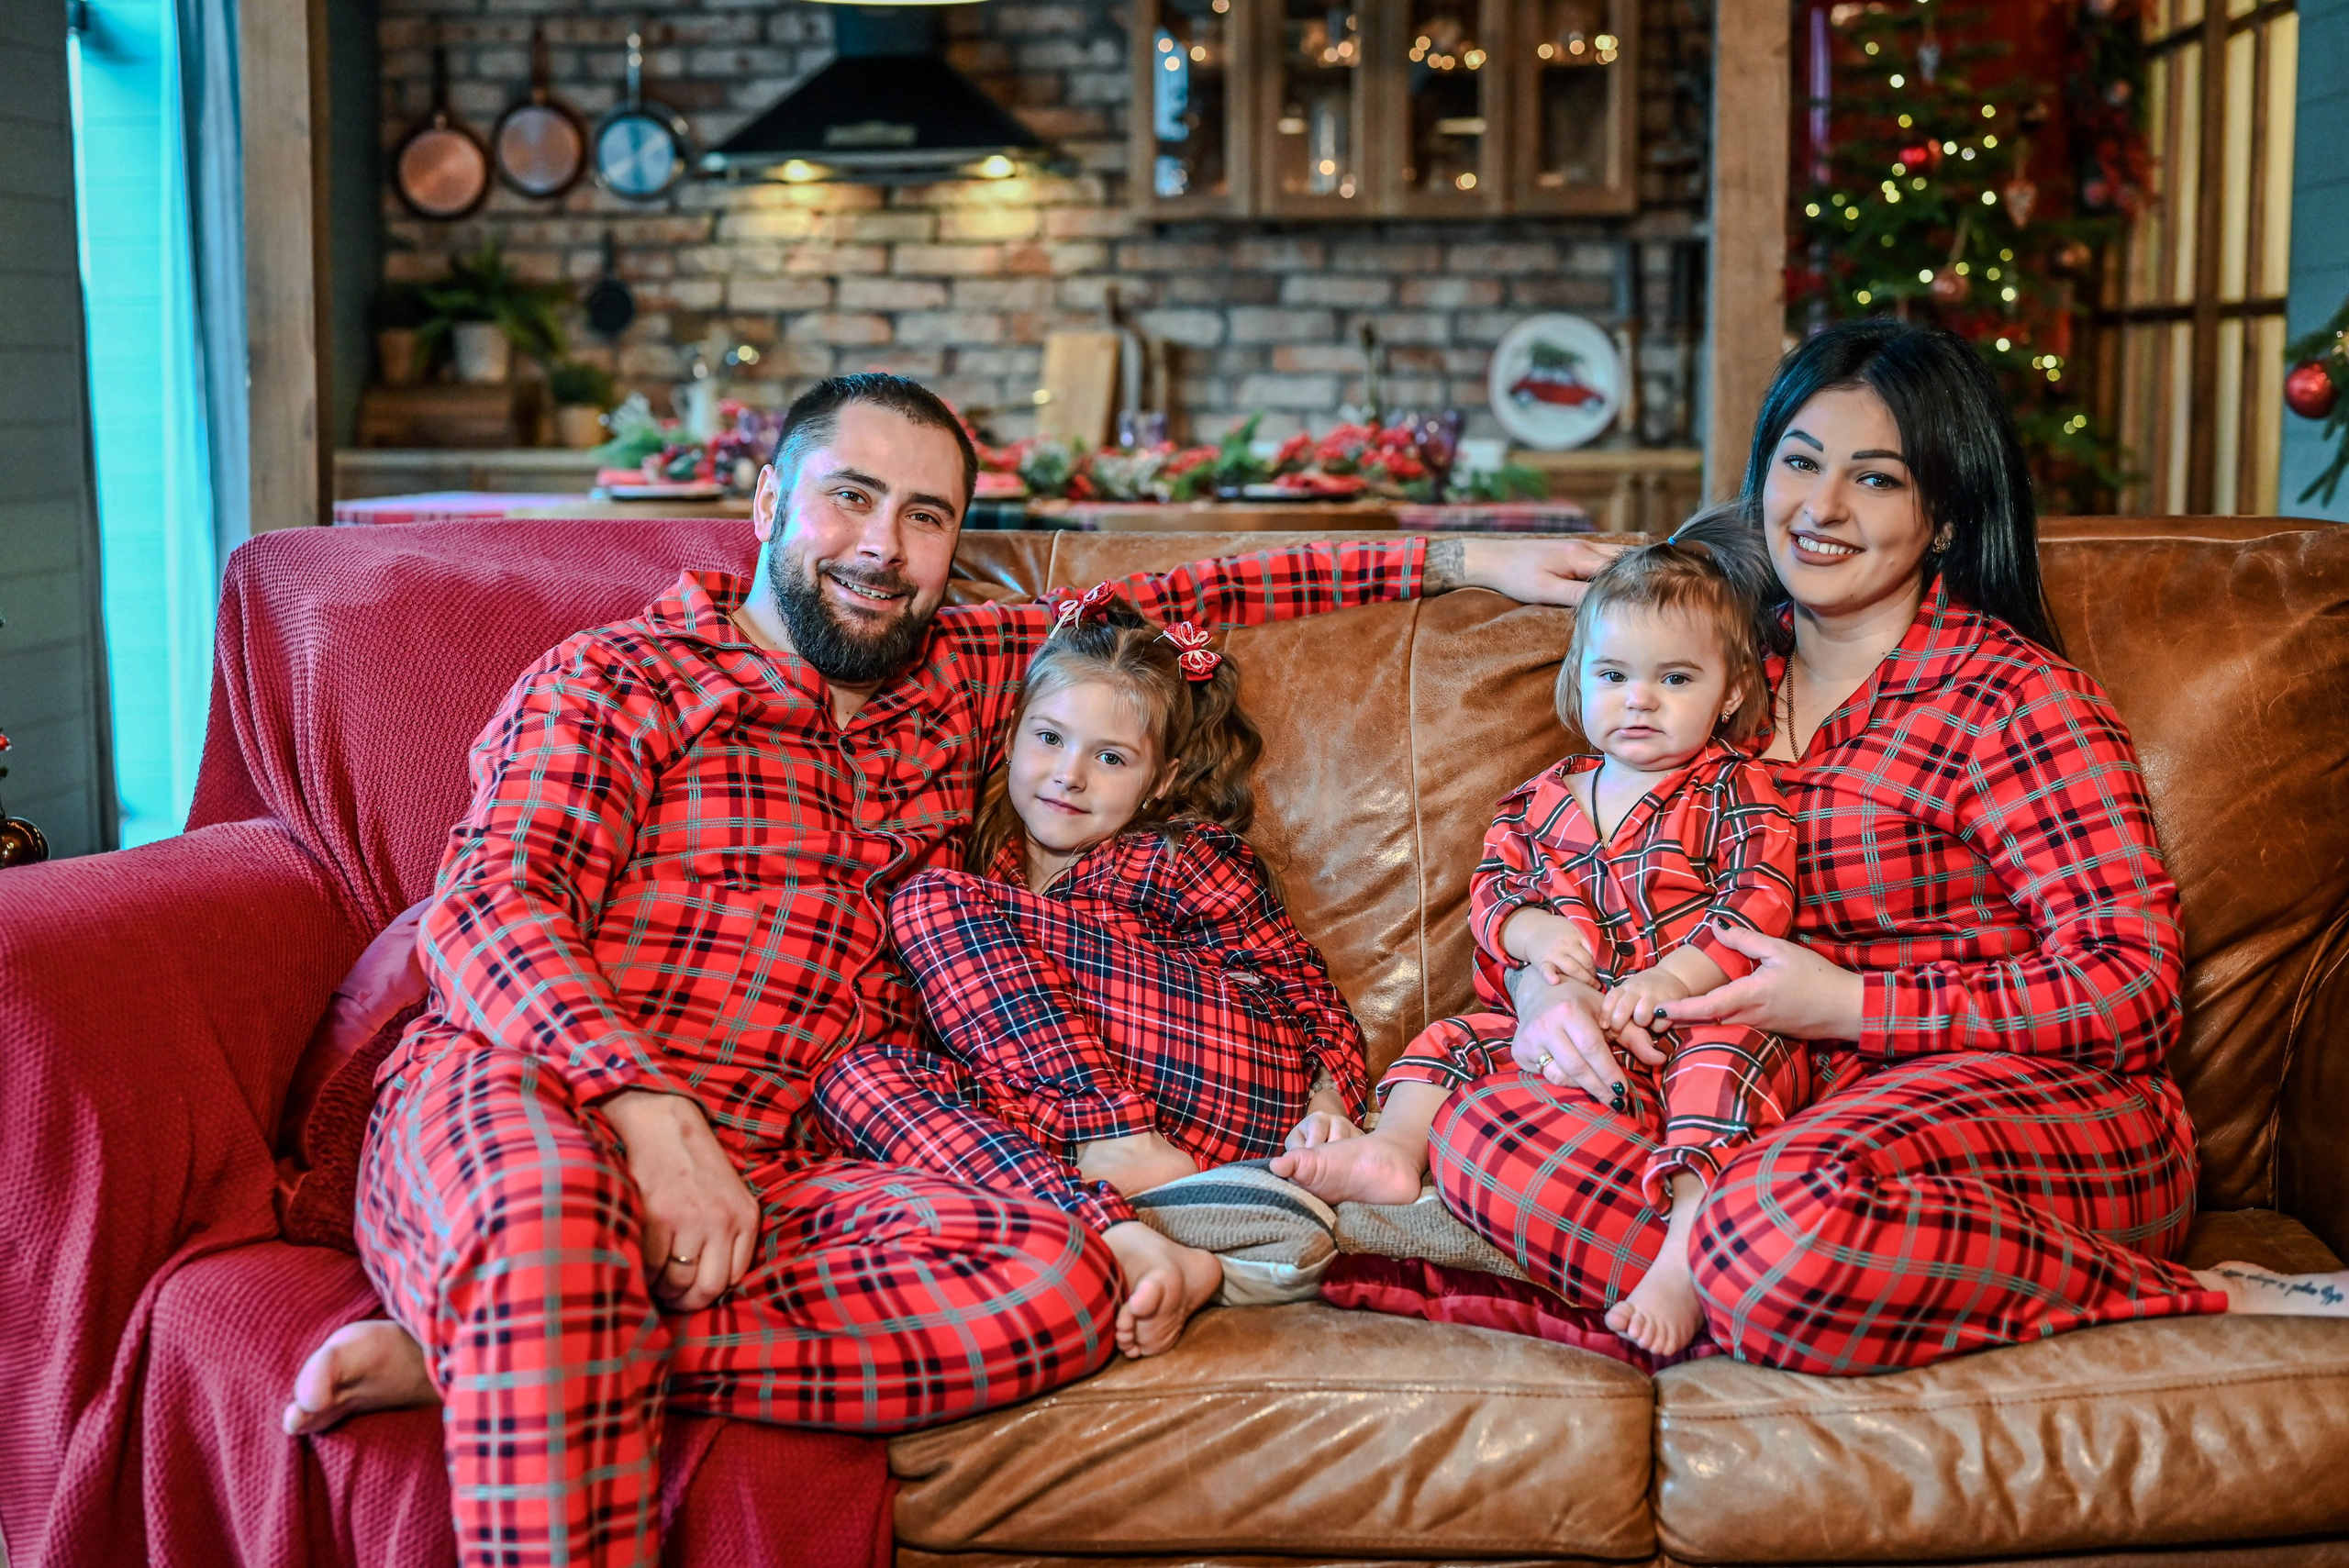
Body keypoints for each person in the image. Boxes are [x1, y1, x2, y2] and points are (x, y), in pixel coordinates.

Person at [275, 371, 1614, 1568]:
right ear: (764, 499)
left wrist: (1459, 550)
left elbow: (1190, 599)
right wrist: (647, 1112)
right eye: (850, 497)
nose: (884, 546)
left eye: (926, 517)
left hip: (797, 1160)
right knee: (551, 1237)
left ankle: (520, 1356)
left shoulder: (973, 678)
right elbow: (492, 910)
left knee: (1071, 1282)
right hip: (541, 1084)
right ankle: (538, 1315)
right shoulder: (620, 678)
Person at [1277, 320, 2349, 1372]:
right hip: (1766, 1109)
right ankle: (1763, 1281)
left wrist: (1847, 1005)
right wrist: (1538, 986)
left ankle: (2193, 1293)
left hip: (2025, 1097)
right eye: (1799, 462)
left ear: (1941, 515)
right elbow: (1565, 868)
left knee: (1772, 1220)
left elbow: (2131, 990)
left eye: (1875, 478)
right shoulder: (1708, 673)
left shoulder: (2010, 700)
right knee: (1483, 1130)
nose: (1822, 507)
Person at [812, 590, 1368, 1356]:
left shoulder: (1177, 855)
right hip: (1087, 1126)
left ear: (1162, 779)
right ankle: (1114, 1228)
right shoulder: (991, 865)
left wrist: (1332, 1098)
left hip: (1235, 1077)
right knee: (855, 1078)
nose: (1068, 775)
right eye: (1049, 738)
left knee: (932, 902)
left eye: (1110, 758)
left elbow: (1304, 990)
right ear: (1012, 736)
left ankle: (1116, 1142)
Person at [1375, 511, 1800, 1356]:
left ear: (1731, 692)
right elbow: (1494, 892)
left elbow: (1758, 899)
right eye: (1614, 674)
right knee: (1455, 1035)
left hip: (1697, 1019)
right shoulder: (1542, 798)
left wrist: (1675, 983)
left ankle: (1683, 1250)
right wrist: (1532, 935)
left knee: (1727, 1061)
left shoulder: (1733, 790)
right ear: (1579, 680)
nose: (1639, 698)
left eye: (1675, 678)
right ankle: (1389, 1150)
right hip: (1568, 1032)